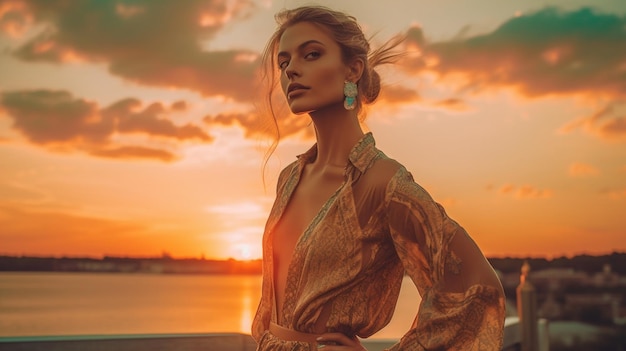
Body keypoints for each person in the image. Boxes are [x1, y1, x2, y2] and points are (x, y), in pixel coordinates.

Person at [251, 5, 506, 351]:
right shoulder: (290, 178)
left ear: (353, 70)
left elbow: (477, 289)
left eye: (311, 54)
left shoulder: (383, 183)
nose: (292, 70)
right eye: (284, 63)